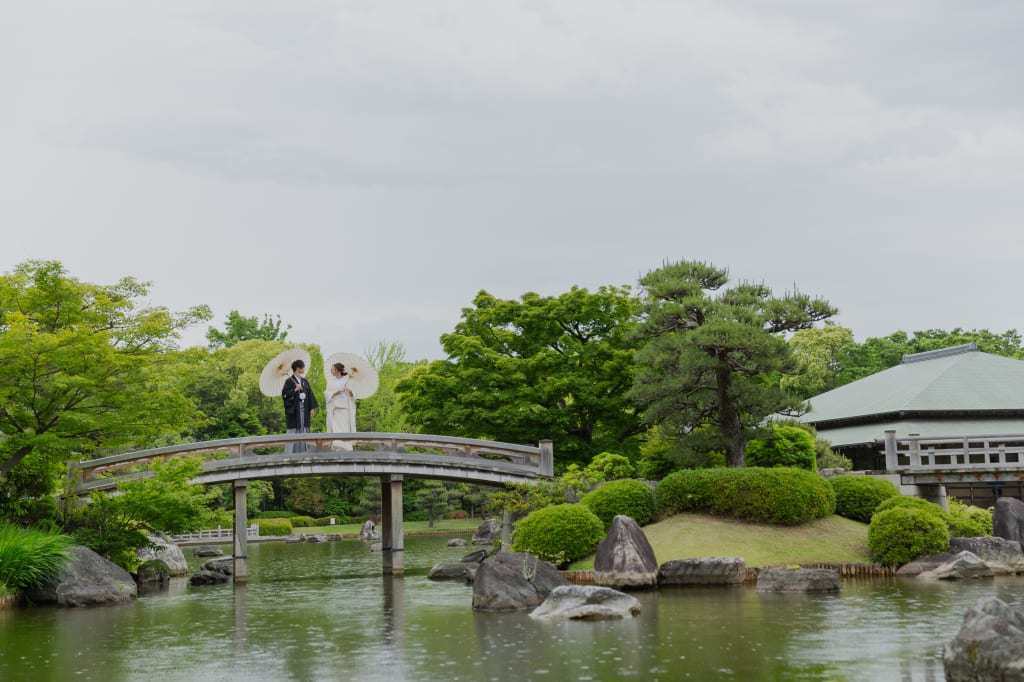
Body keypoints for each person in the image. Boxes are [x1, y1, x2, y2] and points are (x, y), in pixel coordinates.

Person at [282, 359, 317, 453]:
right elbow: (285, 396)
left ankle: (306, 451)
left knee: (305, 428)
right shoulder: (289, 381)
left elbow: (310, 395)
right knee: (295, 429)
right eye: (303, 367)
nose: (304, 368)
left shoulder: (305, 381)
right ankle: (293, 453)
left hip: (305, 409)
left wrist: (312, 408)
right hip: (295, 411)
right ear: (298, 368)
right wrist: (295, 389)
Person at [325, 362, 356, 450]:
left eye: (333, 369)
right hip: (335, 411)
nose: (331, 370)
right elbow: (327, 395)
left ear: (338, 370)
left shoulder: (347, 381)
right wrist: (337, 391)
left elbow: (353, 395)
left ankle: (346, 449)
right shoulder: (330, 383)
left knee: (345, 429)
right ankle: (337, 448)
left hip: (345, 410)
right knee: (336, 431)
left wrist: (350, 391)